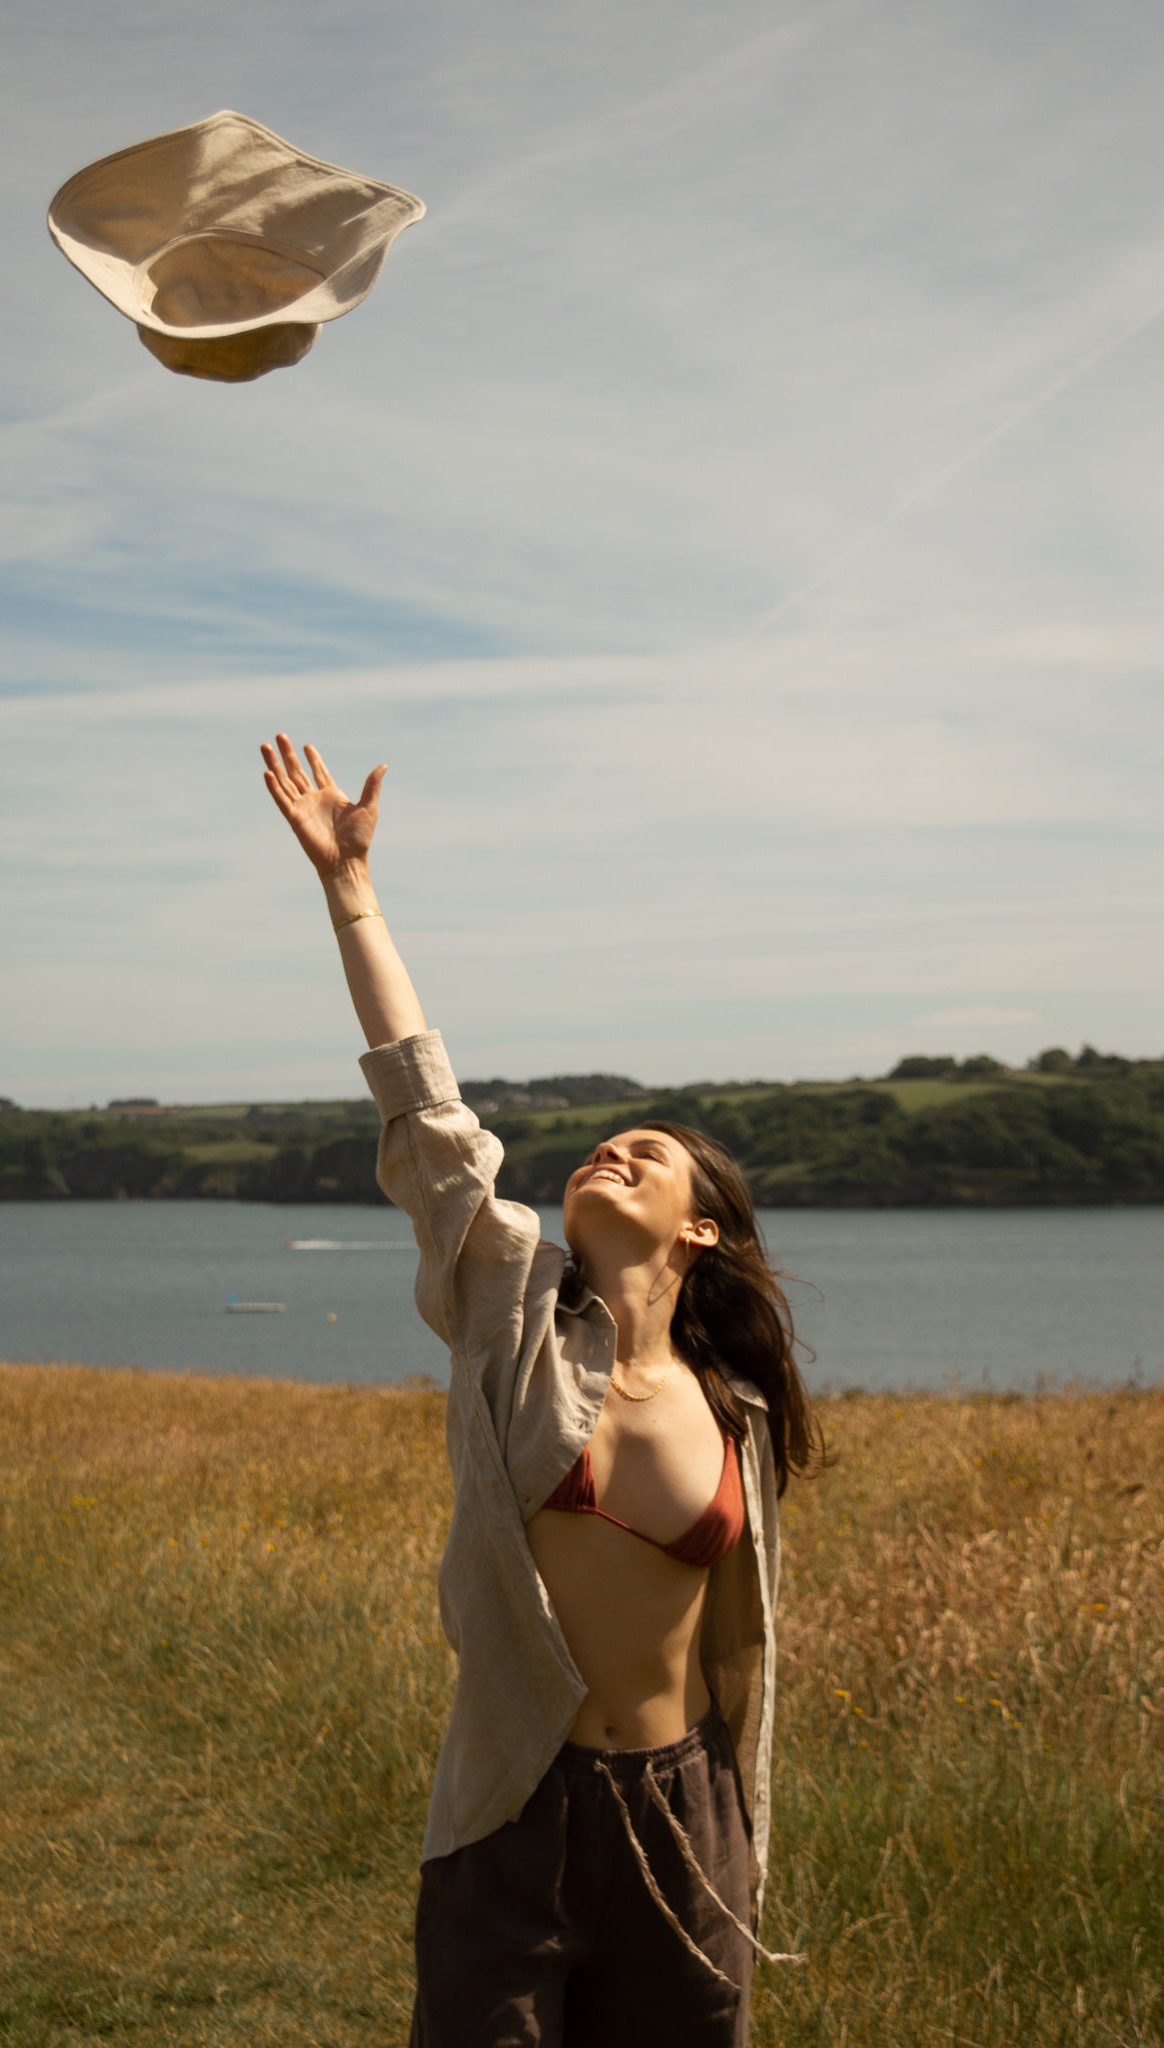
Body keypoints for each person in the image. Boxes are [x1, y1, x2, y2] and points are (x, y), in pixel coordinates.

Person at [261, 733, 826, 2047]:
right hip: (513, 1805)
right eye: (601, 1146)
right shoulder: (507, 1307)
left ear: (699, 1233)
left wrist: (729, 1816)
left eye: (651, 1156)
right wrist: (352, 894)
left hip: (687, 1810)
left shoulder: (731, 1404)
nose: (612, 1154)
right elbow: (429, 1114)